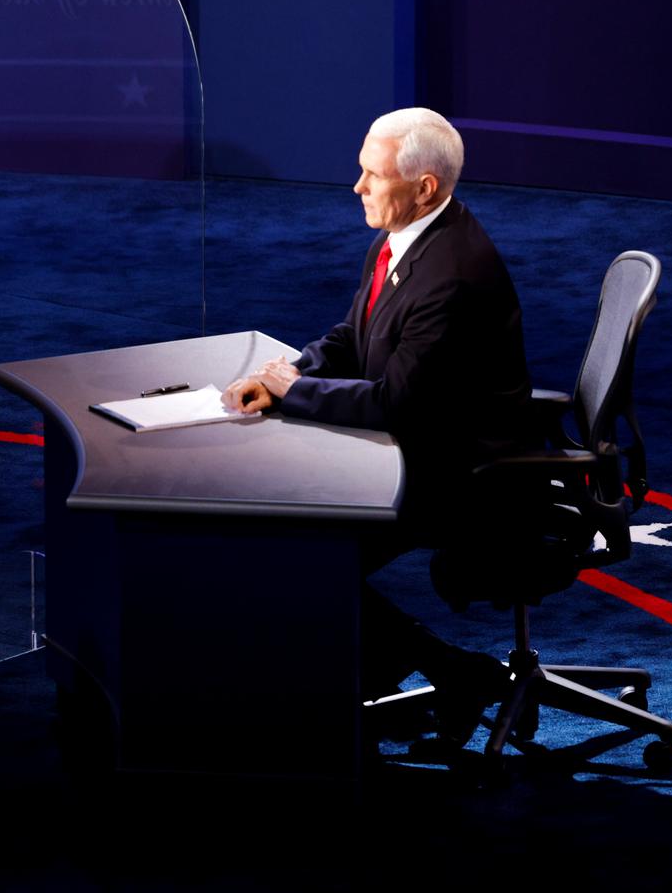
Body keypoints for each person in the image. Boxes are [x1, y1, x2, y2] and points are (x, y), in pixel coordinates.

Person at [222, 107, 531, 743]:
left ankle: (444, 673)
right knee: (280, 538)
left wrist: (295, 393)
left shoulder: (454, 275)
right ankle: (399, 677)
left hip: (456, 473)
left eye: (373, 175)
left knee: (295, 553)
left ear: (424, 187)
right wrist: (290, 372)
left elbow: (395, 403)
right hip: (414, 447)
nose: (357, 187)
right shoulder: (405, 237)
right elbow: (353, 334)